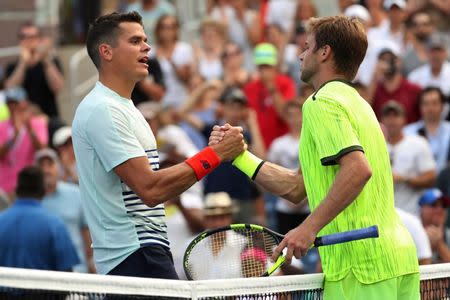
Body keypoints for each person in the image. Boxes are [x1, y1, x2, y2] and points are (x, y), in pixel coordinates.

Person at [210, 15, 419, 299]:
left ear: (324, 52)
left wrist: (307, 228)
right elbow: (297, 187)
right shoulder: (361, 105)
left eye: (307, 47)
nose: (299, 54)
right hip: (399, 260)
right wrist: (239, 156)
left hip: (359, 268)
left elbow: (358, 170)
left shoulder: (321, 103)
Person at [72, 12, 245, 279]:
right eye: (135, 40)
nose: (147, 47)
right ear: (106, 51)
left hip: (143, 252)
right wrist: (215, 155)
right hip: (134, 253)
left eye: (145, 39)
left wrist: (212, 155)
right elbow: (151, 189)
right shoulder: (103, 109)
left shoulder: (123, 108)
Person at [0, 166, 79, 271]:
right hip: (43, 287)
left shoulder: (2, 221)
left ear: (17, 190)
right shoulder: (54, 225)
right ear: (43, 191)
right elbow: (67, 275)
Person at [36, 148, 95, 273]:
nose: (46, 170)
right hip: (41, 275)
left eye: (50, 164)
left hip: (78, 272)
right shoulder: (31, 200)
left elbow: (86, 233)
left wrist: (91, 264)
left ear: (58, 167)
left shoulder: (76, 194)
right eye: (41, 166)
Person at [381, 101, 437, 216]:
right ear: (382, 120)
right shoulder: (376, 145)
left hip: (412, 212)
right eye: (388, 116)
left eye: (395, 116)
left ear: (404, 120)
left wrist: (404, 179)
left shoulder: (418, 143)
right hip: (384, 214)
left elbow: (431, 178)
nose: (391, 121)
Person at [4, 22, 64, 118]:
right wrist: (23, 63)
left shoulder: (51, 62)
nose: (29, 41)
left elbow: (57, 88)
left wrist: (45, 59)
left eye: (33, 37)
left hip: (49, 118)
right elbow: (10, 90)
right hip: (22, 122)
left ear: (40, 39)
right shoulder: (12, 66)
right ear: (20, 40)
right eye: (24, 37)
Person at [243, 43, 295, 148]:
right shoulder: (249, 88)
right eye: (261, 66)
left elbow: (286, 115)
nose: (264, 70)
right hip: (258, 147)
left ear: (275, 66)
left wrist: (272, 88)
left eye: (268, 66)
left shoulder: (286, 83)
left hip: (282, 149)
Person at [0, 87, 48, 198]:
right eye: (10, 103)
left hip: (30, 184)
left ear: (25, 103)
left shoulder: (37, 123)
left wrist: (30, 129)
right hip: (6, 185)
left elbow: (42, 149)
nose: (13, 107)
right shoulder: (1, 126)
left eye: (16, 102)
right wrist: (13, 137)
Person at [404, 87, 450, 172]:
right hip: (415, 183)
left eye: (434, 103)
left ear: (442, 106)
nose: (430, 108)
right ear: (420, 107)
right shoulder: (407, 132)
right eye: (426, 103)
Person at [408, 32, 450, 97]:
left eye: (439, 51)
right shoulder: (415, 77)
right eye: (432, 51)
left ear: (446, 53)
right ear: (426, 53)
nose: (436, 55)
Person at [419, 188, 450, 263]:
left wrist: (439, 243)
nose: (439, 209)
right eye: (434, 205)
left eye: (444, 205)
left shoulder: (448, 234)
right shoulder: (412, 232)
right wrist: (425, 242)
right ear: (422, 208)